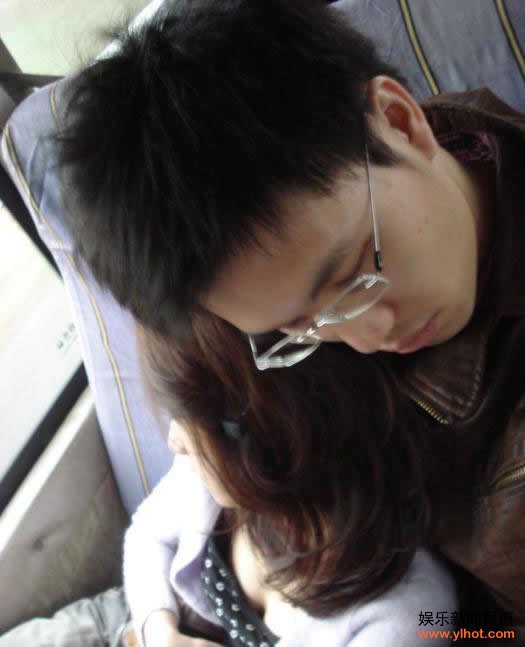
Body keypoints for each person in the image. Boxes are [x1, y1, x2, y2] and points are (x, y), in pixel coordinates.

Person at [57, 0, 525, 620]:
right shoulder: (264, 290)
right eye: (298, 327)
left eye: (357, 275)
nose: (369, 335)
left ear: (401, 121)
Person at [124, 311, 459, 646]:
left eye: (187, 418)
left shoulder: (407, 618)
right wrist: (159, 630)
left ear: (260, 435)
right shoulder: (212, 473)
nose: (175, 441)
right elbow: (147, 535)